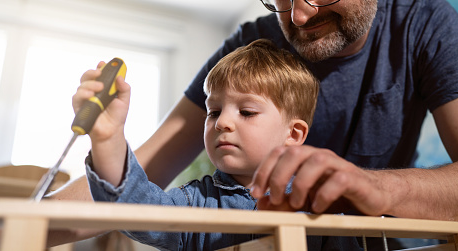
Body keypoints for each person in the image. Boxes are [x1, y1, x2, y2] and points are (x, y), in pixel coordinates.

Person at [49, 0, 458, 248]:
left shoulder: (424, 25)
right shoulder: (247, 52)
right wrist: (11, 227)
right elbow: (133, 188)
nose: (298, 14)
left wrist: (375, 186)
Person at [79, 39, 354, 250]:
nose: (222, 123)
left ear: (293, 134)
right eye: (214, 111)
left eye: (246, 112)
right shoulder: (195, 203)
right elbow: (137, 210)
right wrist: (108, 137)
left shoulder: (321, 203)